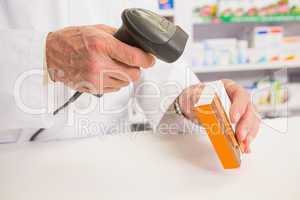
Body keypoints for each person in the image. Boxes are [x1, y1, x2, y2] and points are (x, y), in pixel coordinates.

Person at [0, 1, 260, 153]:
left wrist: (187, 96)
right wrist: (44, 55)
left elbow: (151, 56)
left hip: (113, 153)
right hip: (14, 158)